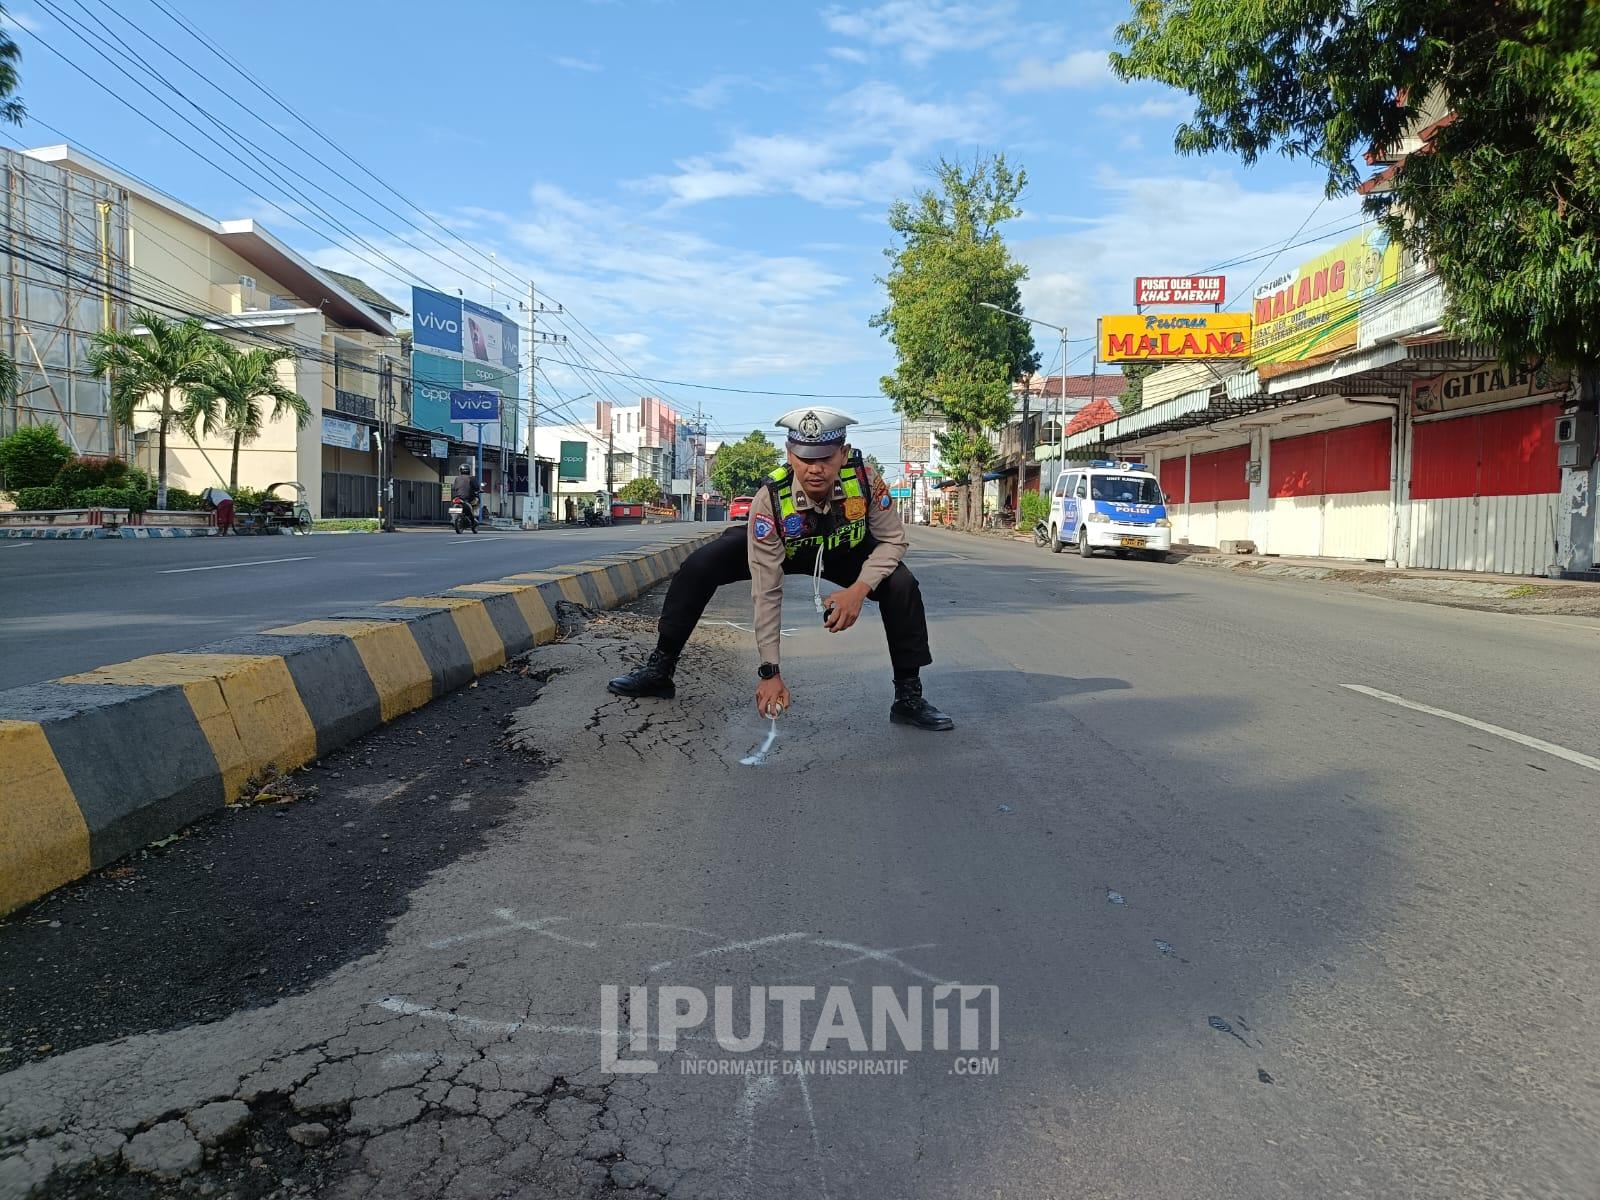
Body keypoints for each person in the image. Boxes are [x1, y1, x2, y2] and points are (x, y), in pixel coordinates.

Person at [607, 407, 953, 731]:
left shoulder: (865, 480)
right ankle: (660, 669)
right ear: (789, 455)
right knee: (700, 565)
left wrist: (859, 590)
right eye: (805, 458)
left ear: (843, 454)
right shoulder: (770, 499)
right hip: (786, 549)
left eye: (825, 458)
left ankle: (908, 697)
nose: (815, 469)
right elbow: (767, 590)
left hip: (843, 548)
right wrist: (769, 671)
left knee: (901, 583)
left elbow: (893, 540)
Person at [450, 464, 481, 531]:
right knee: (474, 503)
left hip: (457, 498)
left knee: (454, 506)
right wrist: (479, 490)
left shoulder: (457, 478)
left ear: (460, 471)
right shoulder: (471, 478)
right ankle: (472, 520)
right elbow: (477, 487)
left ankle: (453, 519)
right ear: (469, 470)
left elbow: (453, 488)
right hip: (468, 499)